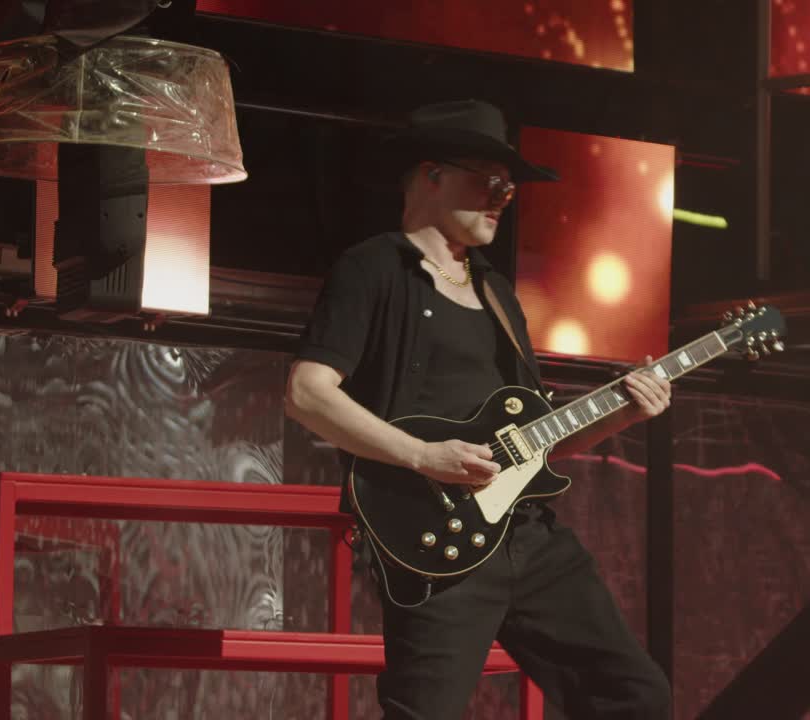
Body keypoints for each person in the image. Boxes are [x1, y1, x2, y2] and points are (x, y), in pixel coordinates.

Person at [285, 99, 673, 720]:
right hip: (436, 541)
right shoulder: (374, 268)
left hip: (530, 537)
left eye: (509, 186)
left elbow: (535, 441)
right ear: (430, 174)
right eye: (488, 181)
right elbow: (307, 392)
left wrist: (623, 413)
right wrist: (423, 455)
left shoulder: (497, 293)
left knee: (634, 696)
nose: (503, 195)